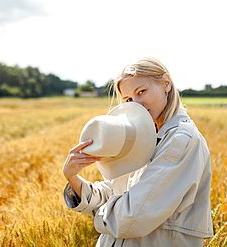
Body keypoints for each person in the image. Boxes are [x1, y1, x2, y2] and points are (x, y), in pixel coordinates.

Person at [62, 57, 213, 246]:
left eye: (141, 91)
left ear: (166, 84)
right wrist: (72, 177)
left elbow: (133, 217)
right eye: (129, 99)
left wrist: (99, 215)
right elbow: (116, 191)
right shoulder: (143, 136)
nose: (136, 103)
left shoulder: (180, 139)